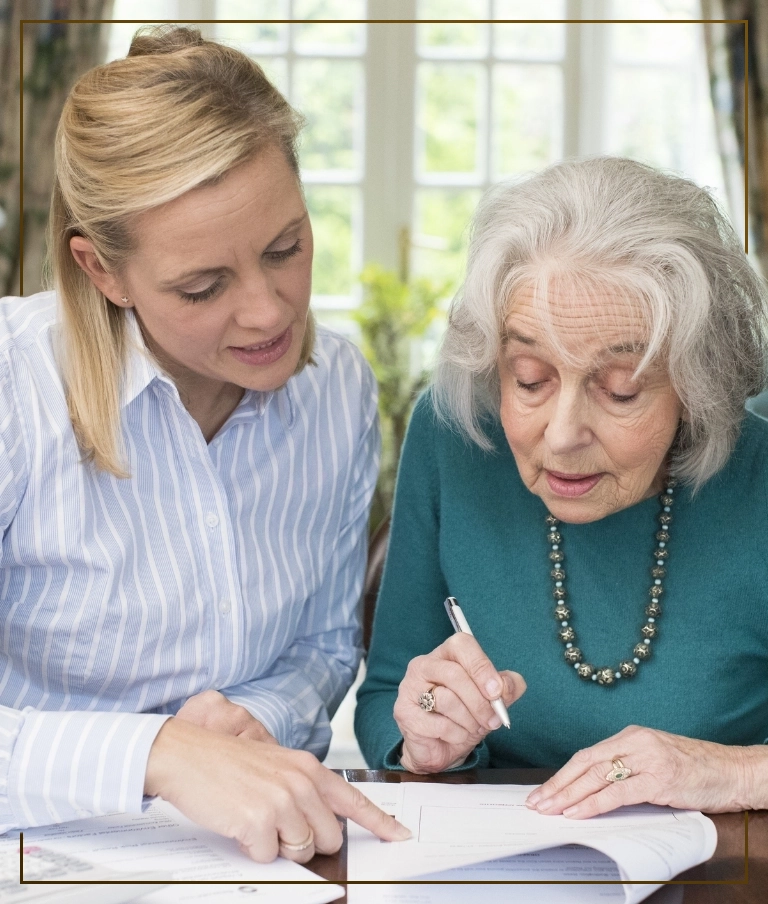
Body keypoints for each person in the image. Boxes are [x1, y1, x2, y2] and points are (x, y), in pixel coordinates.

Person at [0, 25, 411, 861]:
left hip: (244, 858)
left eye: (285, 248)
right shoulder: (15, 389)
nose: (268, 312)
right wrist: (159, 755)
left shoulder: (336, 387)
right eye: (202, 285)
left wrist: (253, 723)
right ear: (101, 272)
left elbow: (324, 646)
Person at [356, 156, 768, 816]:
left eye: (621, 390)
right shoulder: (456, 432)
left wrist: (734, 773)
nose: (562, 434)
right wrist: (426, 741)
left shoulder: (759, 470)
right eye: (529, 379)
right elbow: (385, 696)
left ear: (699, 387)